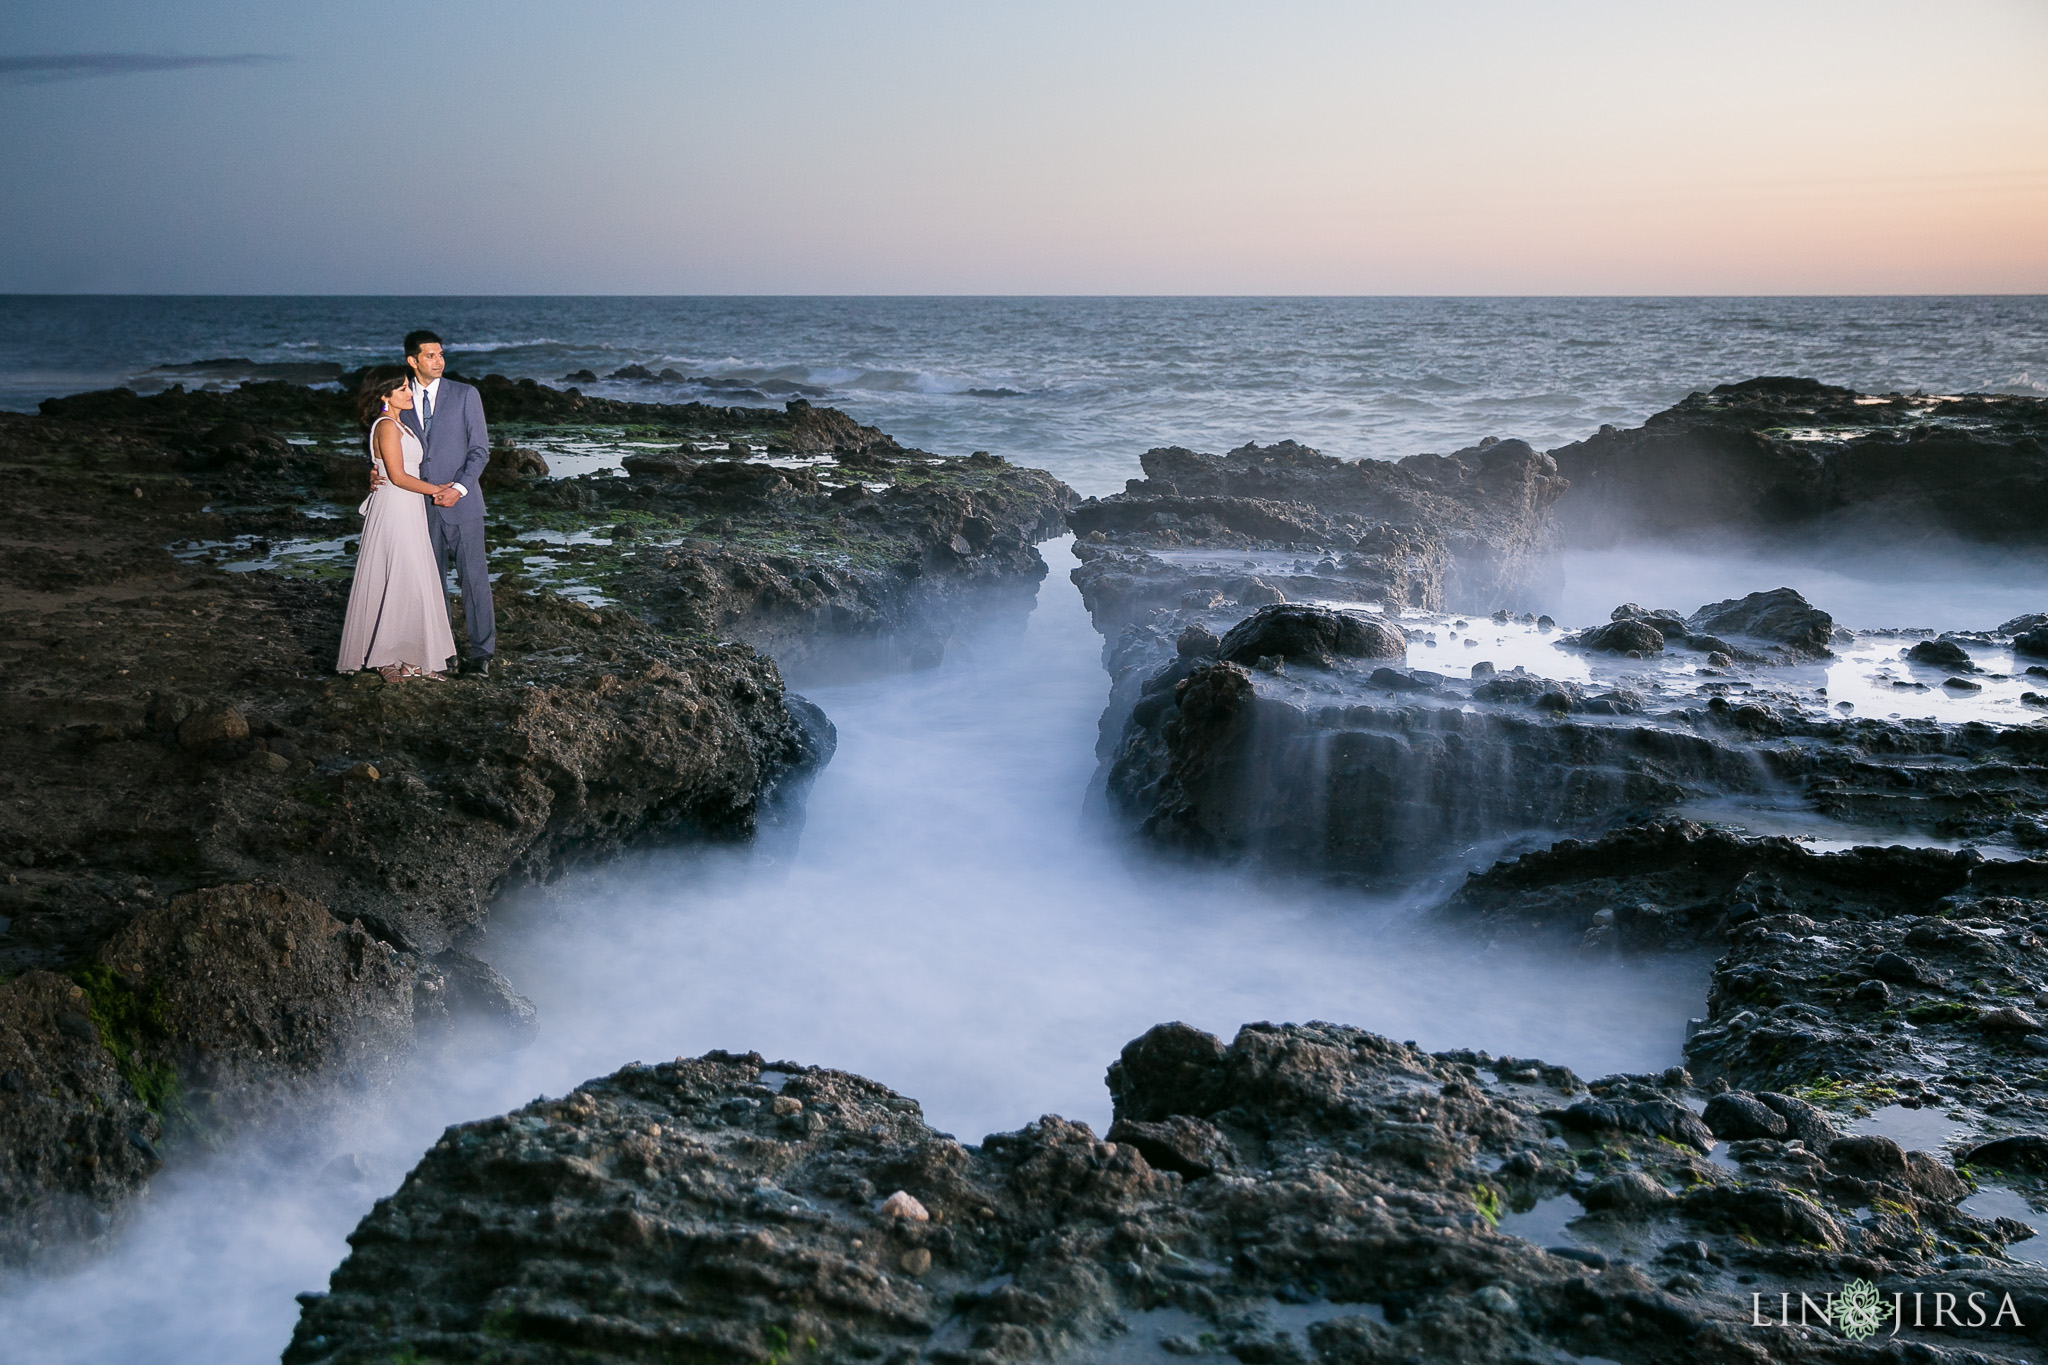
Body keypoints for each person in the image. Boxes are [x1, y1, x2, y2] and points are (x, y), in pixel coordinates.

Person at [336, 367, 459, 680]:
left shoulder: (400, 425)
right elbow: (398, 475)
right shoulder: (388, 426)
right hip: (394, 508)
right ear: (384, 395)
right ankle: (386, 659)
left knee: (412, 580)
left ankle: (414, 657)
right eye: (402, 389)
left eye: (408, 387)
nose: (409, 392)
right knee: (397, 578)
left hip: (408, 508)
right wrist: (439, 490)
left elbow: (394, 469)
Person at [394, 329, 497, 675]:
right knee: (430, 582)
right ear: (412, 361)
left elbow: (479, 450)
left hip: (463, 505)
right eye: (430, 356)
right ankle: (443, 652)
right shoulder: (399, 398)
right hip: (418, 507)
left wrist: (459, 488)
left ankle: (482, 655)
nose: (439, 361)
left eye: (441, 355)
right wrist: (374, 470)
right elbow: (383, 436)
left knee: (474, 580)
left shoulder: (466, 395)